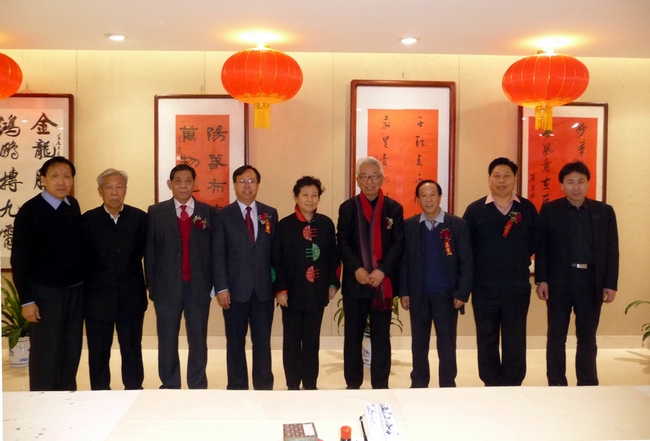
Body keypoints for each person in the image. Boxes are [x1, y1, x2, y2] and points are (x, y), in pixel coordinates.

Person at [535, 161, 619, 386]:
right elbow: (542, 248)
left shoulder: (604, 211)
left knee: (588, 337)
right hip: (559, 281)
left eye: (580, 182)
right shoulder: (550, 211)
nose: (575, 187)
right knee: (556, 336)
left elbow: (612, 250)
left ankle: (588, 383)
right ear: (562, 185)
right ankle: (556, 383)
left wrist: (610, 283)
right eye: (570, 182)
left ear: (588, 184)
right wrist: (542, 279)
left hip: (591, 281)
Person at [11, 156, 85, 391]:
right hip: (46, 294)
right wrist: (27, 300)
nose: (61, 182)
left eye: (67, 176)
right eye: (54, 176)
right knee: (46, 352)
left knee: (70, 349)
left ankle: (67, 397)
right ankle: (41, 399)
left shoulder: (72, 205)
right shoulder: (30, 211)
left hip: (74, 290)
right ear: (42, 179)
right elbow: (19, 259)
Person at [462, 157, 538, 386]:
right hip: (484, 287)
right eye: (497, 175)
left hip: (517, 286)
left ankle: (513, 382)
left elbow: (536, 243)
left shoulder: (527, 209)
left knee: (515, 336)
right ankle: (491, 382)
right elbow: (465, 249)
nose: (501, 180)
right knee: (487, 336)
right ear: (489, 179)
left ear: (515, 179)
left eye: (507, 176)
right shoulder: (475, 210)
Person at [144, 164, 215, 389]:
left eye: (188, 181)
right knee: (167, 341)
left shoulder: (208, 212)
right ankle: (170, 384)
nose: (183, 185)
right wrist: (151, 285)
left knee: (198, 340)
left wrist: (213, 284)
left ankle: (197, 384)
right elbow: (150, 251)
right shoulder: (156, 212)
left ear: (195, 184)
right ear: (170, 184)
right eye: (178, 181)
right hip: (166, 287)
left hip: (198, 287)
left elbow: (214, 251)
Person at [337, 157, 404, 389]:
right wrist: (357, 268)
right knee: (352, 337)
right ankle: (353, 383)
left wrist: (382, 270)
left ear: (382, 179)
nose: (369, 181)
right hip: (355, 283)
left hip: (381, 285)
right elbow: (342, 242)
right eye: (364, 176)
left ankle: (380, 383)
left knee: (381, 336)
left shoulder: (393, 208)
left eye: (374, 176)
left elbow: (398, 244)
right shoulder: (348, 208)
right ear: (357, 180)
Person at [400, 180, 472, 388]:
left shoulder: (457, 225)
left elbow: (467, 261)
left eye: (432, 194)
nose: (428, 199)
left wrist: (462, 292)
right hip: (419, 294)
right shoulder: (409, 226)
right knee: (419, 341)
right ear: (418, 199)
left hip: (447, 295)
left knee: (446, 342)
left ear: (440, 197)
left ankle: (447, 383)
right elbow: (403, 262)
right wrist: (404, 292)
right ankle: (419, 381)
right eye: (423, 195)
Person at [213, 165, 278, 390]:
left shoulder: (270, 213)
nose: (247, 186)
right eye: (242, 181)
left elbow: (275, 254)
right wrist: (222, 288)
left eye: (251, 181)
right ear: (234, 185)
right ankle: (237, 387)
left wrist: (278, 286)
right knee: (235, 343)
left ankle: (264, 386)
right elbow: (218, 254)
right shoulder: (222, 215)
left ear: (258, 185)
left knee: (262, 343)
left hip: (263, 291)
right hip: (234, 291)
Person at [272, 176, 341, 390]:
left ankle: (311, 384)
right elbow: (276, 260)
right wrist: (281, 290)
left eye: (314, 195)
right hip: (291, 293)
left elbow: (333, 257)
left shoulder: (326, 224)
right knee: (292, 341)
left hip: (317, 293)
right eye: (305, 195)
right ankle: (293, 384)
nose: (310, 199)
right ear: (296, 197)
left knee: (312, 340)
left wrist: (332, 284)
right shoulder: (284, 225)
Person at [82, 169, 147, 390]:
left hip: (131, 297)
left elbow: (148, 254)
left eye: (119, 187)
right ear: (100, 191)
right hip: (97, 299)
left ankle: (134, 391)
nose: (114, 192)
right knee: (98, 352)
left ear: (125, 190)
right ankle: (100, 394)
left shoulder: (139, 219)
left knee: (132, 350)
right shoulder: (88, 220)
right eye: (109, 187)